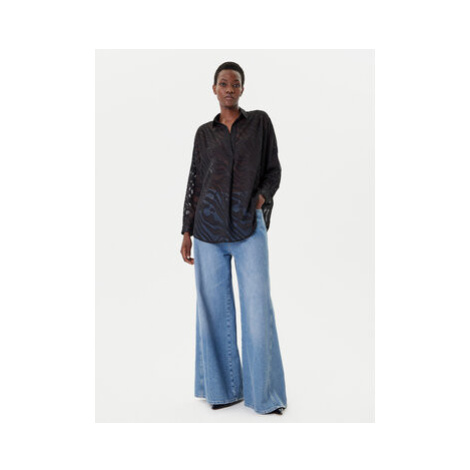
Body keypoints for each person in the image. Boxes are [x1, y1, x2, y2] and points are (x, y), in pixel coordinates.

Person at [180, 61, 287, 415]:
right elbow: (195, 181)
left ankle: (264, 396)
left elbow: (273, 170)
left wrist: (260, 198)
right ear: (214, 89)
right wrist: (186, 230)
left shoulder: (259, 123)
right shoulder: (204, 133)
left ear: (242, 88)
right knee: (212, 310)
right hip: (207, 230)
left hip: (247, 226)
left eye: (235, 83)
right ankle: (222, 391)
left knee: (257, 308)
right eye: (223, 83)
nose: (229, 88)